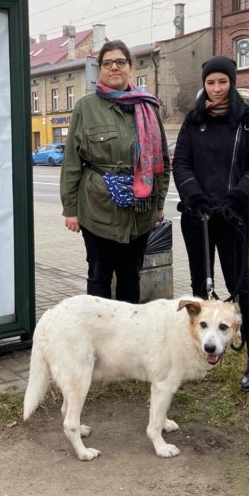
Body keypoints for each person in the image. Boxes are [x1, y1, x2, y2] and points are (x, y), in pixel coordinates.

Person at [172, 56, 249, 392]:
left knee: (240, 288)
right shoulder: (193, 120)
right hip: (196, 217)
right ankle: (201, 350)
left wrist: (238, 197)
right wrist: (194, 196)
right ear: (204, 85)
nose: (216, 89)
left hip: (232, 216)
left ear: (231, 82)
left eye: (222, 82)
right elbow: (181, 164)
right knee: (200, 287)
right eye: (210, 83)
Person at [60, 39, 170, 303]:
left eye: (120, 62)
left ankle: (125, 340)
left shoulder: (148, 106)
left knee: (130, 276)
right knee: (98, 275)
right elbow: (72, 162)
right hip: (97, 208)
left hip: (140, 210)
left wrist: (159, 204)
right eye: (107, 63)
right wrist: (71, 209)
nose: (114, 68)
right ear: (100, 70)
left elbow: (162, 160)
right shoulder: (86, 107)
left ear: (130, 67)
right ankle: (98, 336)